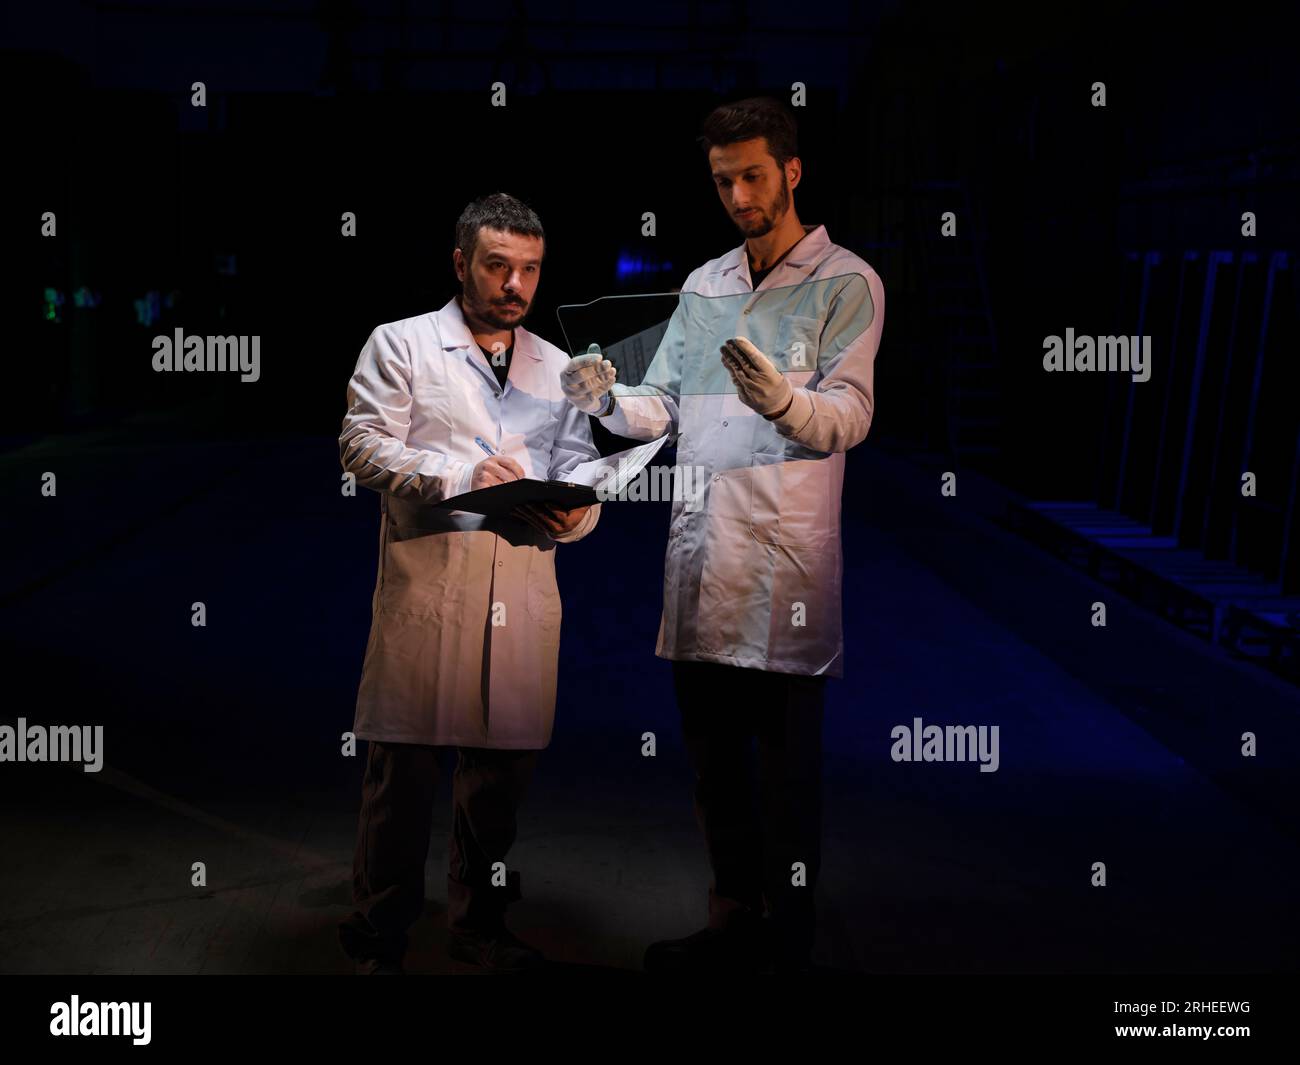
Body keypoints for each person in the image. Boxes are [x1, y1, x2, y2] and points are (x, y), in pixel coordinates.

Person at [561, 97, 885, 973]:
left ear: (792, 170)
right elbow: (661, 404)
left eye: (752, 175)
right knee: (716, 771)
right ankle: (731, 920)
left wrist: (784, 399)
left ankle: (789, 942)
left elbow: (850, 415)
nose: (739, 194)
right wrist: (602, 398)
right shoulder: (705, 286)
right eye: (722, 180)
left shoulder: (848, 283)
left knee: (786, 780)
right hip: (705, 560)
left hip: (783, 568)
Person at [337, 193, 600, 974]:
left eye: (529, 269)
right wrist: (460, 474)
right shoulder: (403, 344)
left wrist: (575, 516)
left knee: (498, 786)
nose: (515, 285)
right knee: (402, 780)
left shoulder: (560, 368)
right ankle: (380, 927)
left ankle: (480, 924)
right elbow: (360, 443)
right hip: (431, 589)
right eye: (497, 266)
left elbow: (582, 464)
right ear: (460, 263)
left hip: (519, 592)